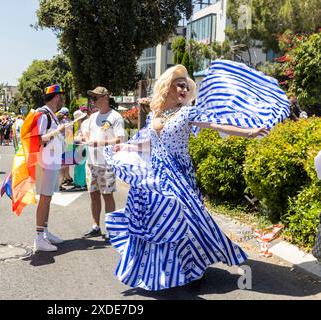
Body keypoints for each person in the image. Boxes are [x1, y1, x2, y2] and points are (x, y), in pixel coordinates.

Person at [105, 65, 268, 291]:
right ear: (167, 87)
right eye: (179, 84)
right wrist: (127, 145)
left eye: (187, 85)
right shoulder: (156, 115)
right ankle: (163, 270)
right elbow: (150, 143)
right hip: (157, 174)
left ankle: (194, 269)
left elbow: (215, 124)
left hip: (179, 175)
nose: (184, 88)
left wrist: (248, 132)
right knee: (160, 221)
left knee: (187, 220)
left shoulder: (187, 112)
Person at [81, 87, 125, 239]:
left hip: (106, 163)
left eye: (95, 98)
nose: (93, 101)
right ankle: (95, 226)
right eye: (92, 98)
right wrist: (85, 139)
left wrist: (100, 142)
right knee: (93, 195)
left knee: (107, 196)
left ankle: (111, 229)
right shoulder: (93, 117)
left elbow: (120, 139)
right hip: (91, 162)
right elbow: (86, 133)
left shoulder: (115, 117)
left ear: (105, 97)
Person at [33, 84, 72, 252]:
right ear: (56, 97)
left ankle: (45, 233)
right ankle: (39, 237)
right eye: (61, 96)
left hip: (51, 162)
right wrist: (59, 131)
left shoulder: (51, 115)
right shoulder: (43, 114)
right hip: (45, 163)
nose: (62, 99)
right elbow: (38, 139)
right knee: (44, 198)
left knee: (48, 198)